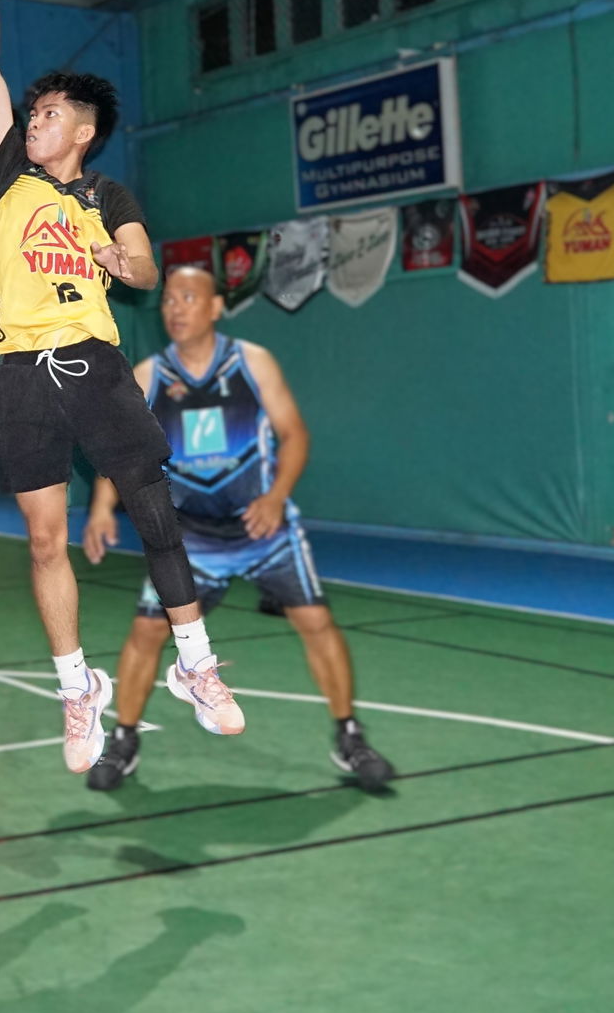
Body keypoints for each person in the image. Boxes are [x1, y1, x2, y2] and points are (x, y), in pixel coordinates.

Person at [0, 0, 243, 774]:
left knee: (154, 512)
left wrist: (122, 258)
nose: (32, 118)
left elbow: (146, 271)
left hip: (93, 363)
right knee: (45, 538)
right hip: (19, 378)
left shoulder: (107, 196)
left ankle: (197, 669)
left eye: (47, 114)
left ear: (81, 132)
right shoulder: (7, 174)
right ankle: (77, 688)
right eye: (29, 111)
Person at [82, 265, 395, 792]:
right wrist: (99, 509)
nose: (176, 308)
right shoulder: (149, 376)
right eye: (168, 301)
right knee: (147, 633)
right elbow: (119, 452)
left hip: (263, 529)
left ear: (214, 307)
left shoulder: (252, 363)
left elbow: (294, 435)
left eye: (188, 297)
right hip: (192, 539)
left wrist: (275, 498)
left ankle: (350, 736)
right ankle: (123, 741)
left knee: (316, 622)